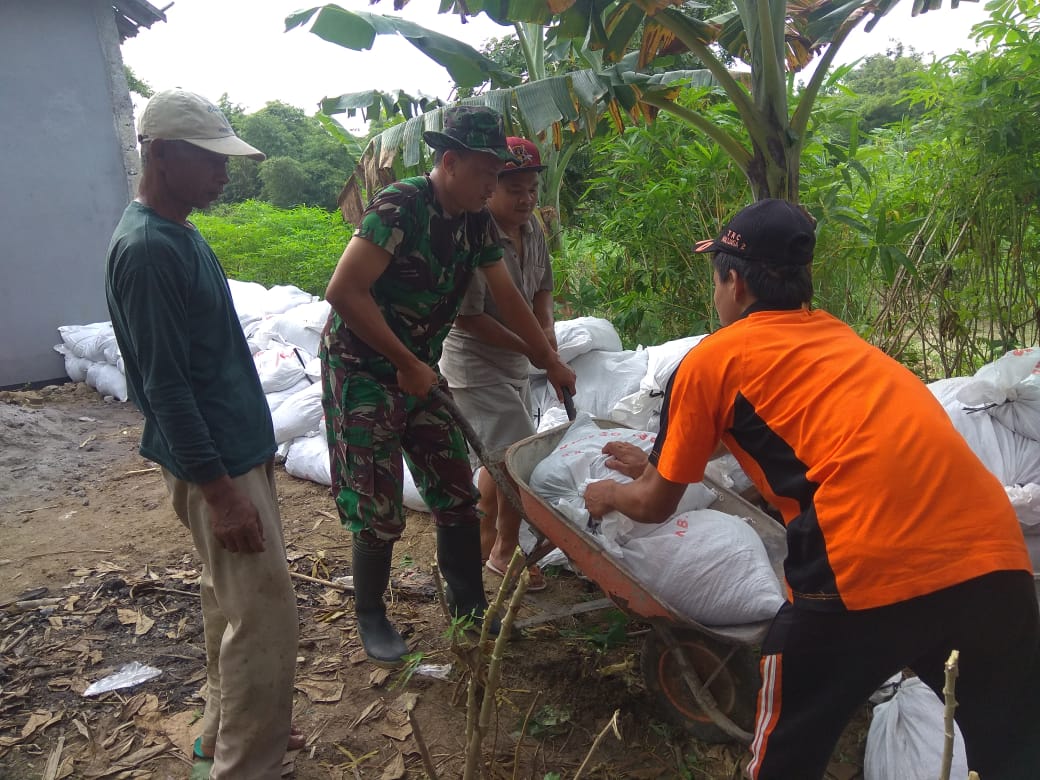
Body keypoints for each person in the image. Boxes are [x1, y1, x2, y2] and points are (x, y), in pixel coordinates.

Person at [583, 199, 1040, 779]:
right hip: (992, 557)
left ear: (732, 280)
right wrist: (658, 458)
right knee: (1012, 750)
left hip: (862, 564)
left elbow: (653, 504)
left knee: (788, 751)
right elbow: (784, 428)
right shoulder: (839, 340)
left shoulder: (714, 357)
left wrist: (607, 496)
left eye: (715, 277)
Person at [319, 106, 576, 667]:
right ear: (450, 161)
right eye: (486, 172)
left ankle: (467, 608)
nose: (493, 184)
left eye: (498, 174)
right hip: (363, 367)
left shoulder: (476, 221)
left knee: (455, 489)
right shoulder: (401, 206)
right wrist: (405, 361)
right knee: (377, 497)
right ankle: (371, 614)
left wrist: (548, 358)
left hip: (420, 371)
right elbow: (344, 291)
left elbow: (508, 297)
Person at [105, 89, 301, 779]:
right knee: (265, 620)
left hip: (229, 453)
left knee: (230, 606)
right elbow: (164, 385)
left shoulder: (175, 232)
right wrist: (222, 493)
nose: (225, 174)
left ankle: (225, 732)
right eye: (211, 161)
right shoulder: (150, 250)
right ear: (161, 154)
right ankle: (247, 766)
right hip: (216, 464)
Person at [439, 136, 555, 591]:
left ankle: (487, 538)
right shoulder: (477, 233)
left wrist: (546, 332)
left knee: (498, 457)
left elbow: (542, 286)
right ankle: (506, 550)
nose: (526, 199)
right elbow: (468, 319)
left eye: (531, 189)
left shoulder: (533, 230)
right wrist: (537, 350)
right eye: (514, 190)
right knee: (517, 456)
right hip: (476, 364)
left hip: (515, 360)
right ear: (492, 188)